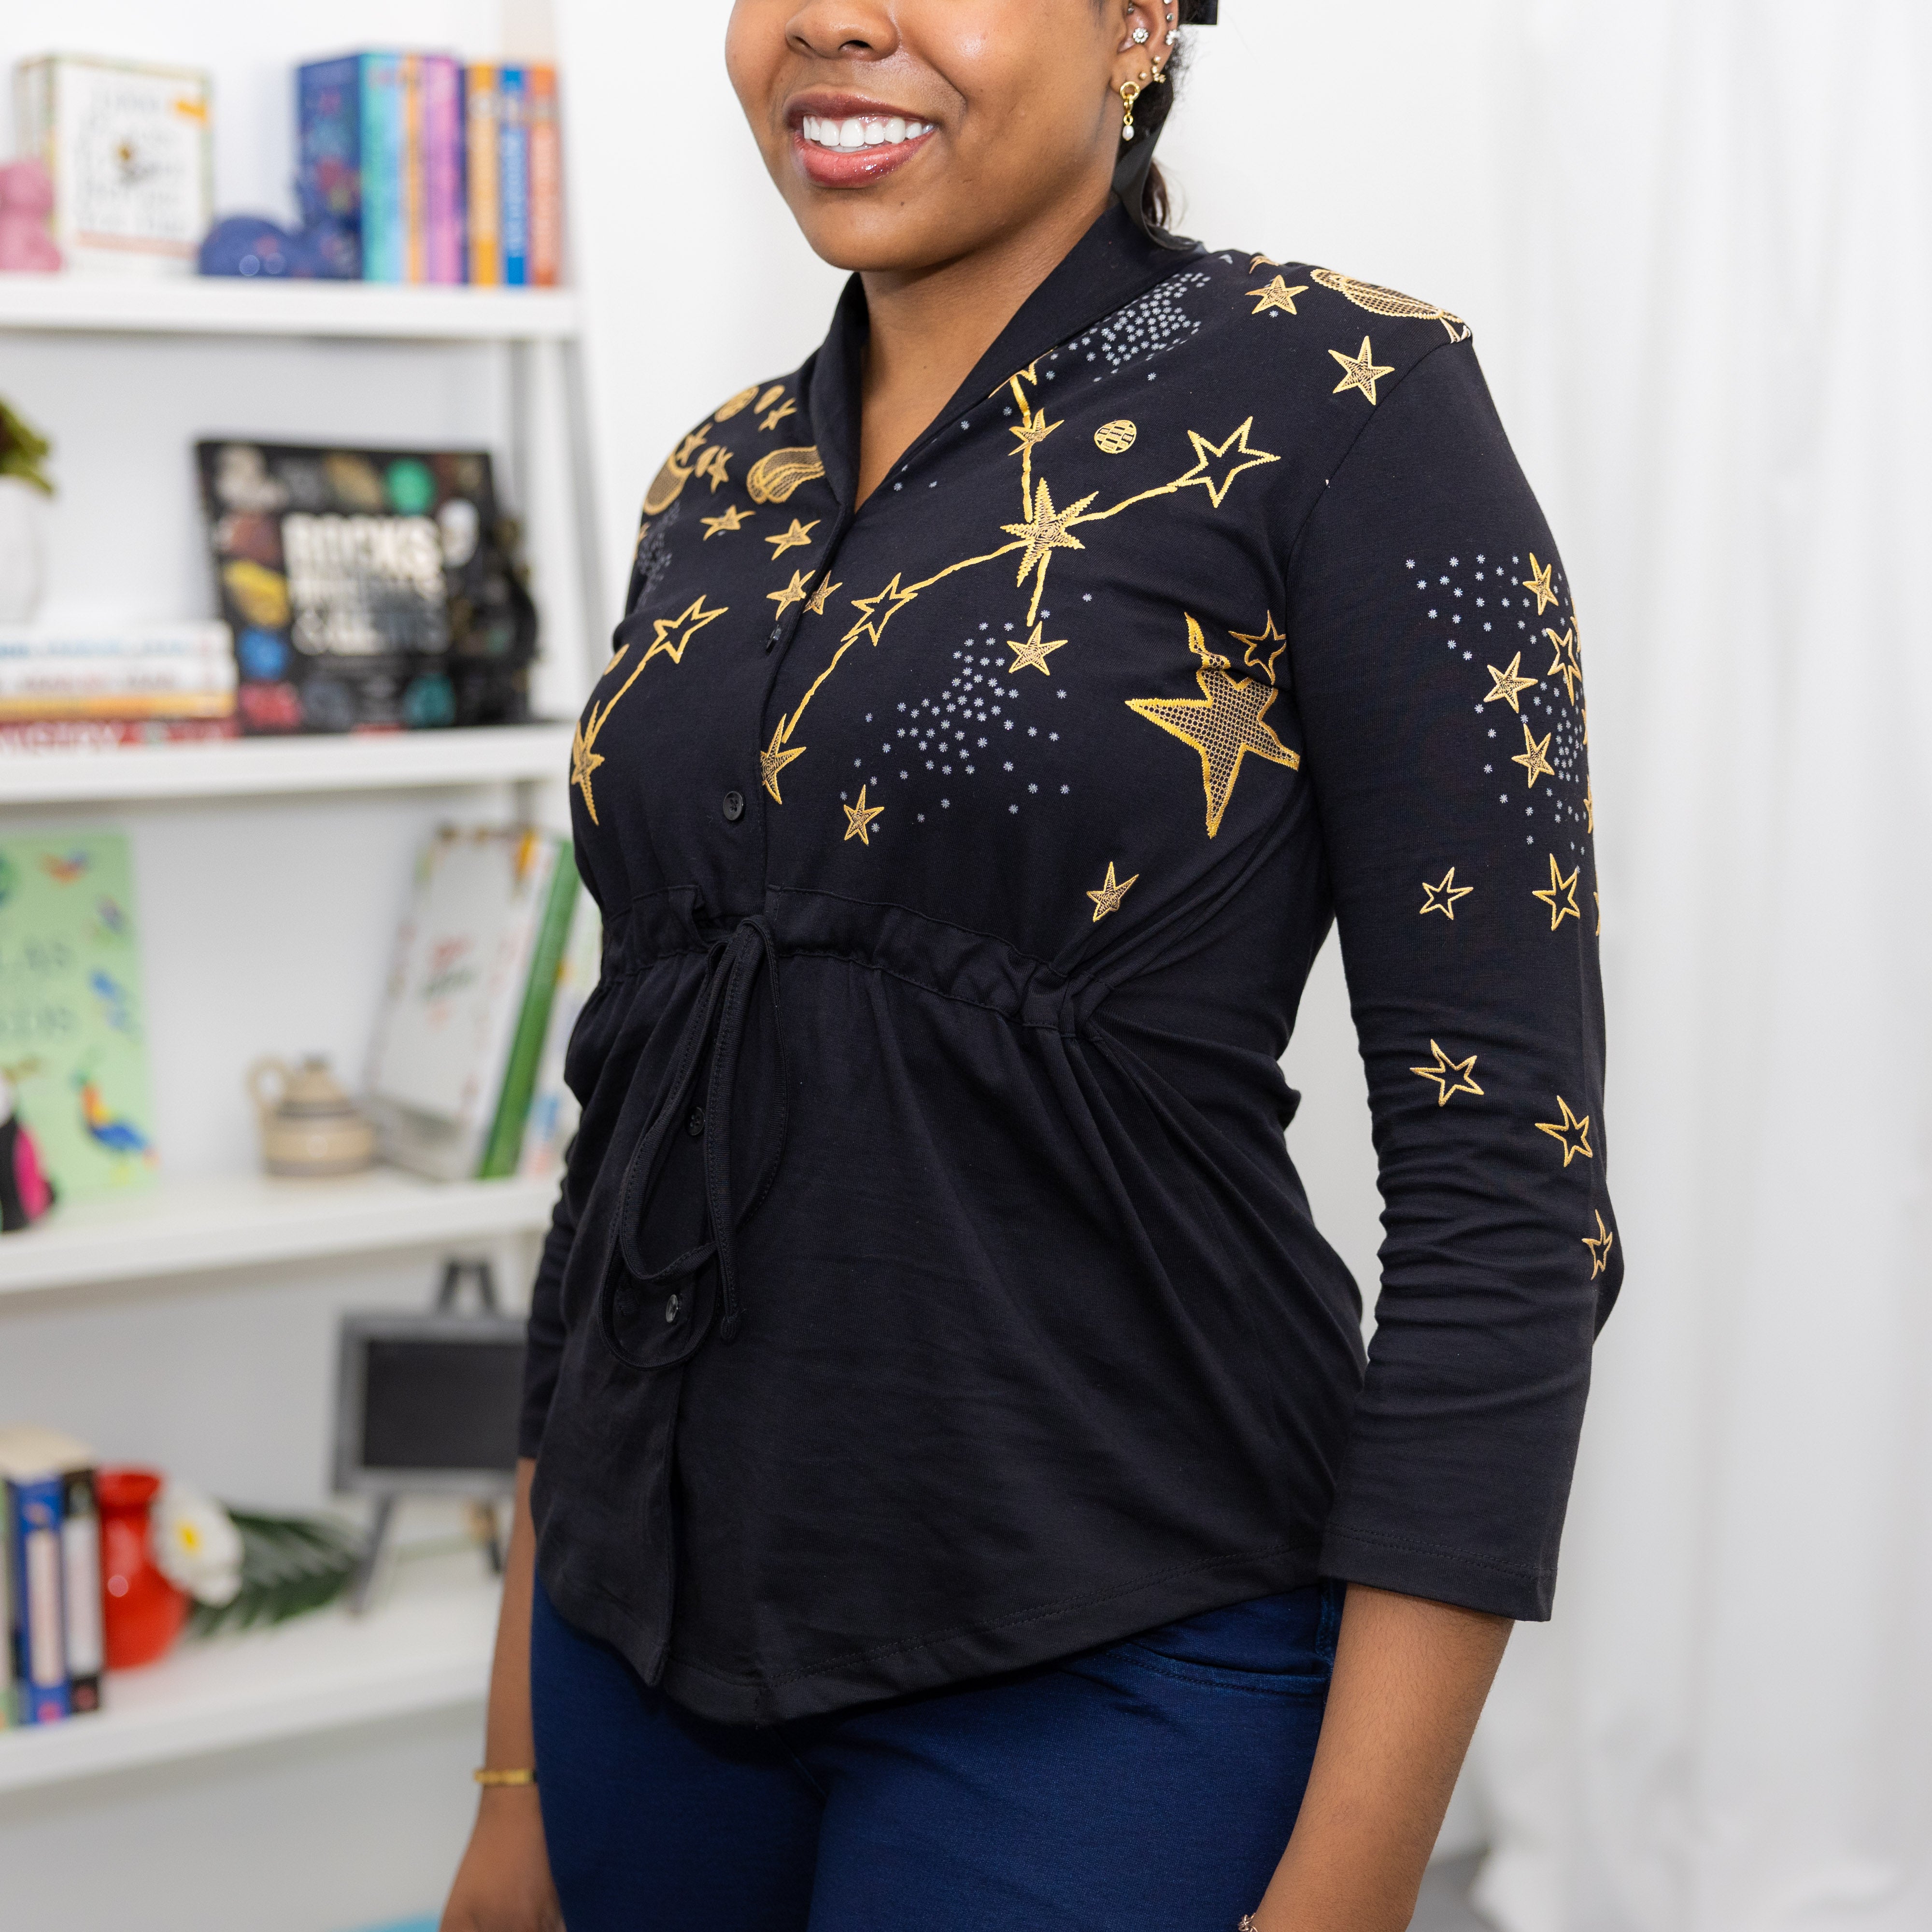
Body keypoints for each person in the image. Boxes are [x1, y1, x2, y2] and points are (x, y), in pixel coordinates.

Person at [441, 2, 1619, 1928]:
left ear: (1139, 23)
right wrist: (513, 1775)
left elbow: (1511, 1194)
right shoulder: (714, 475)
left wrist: (1347, 1893)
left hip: (1111, 1653)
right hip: (629, 1648)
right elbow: (627, 1124)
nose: (837, 19)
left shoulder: (1346, 400)